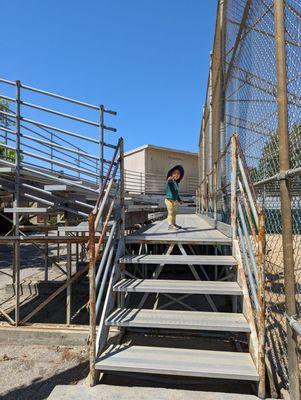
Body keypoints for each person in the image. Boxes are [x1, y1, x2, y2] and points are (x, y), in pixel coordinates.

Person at [165, 165, 184, 231]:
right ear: (171, 174)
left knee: (174, 213)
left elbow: (176, 194)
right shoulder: (170, 181)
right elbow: (169, 182)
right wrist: (169, 179)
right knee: (170, 212)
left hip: (174, 200)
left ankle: (174, 224)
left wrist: (179, 200)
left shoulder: (176, 183)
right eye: (174, 173)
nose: (176, 174)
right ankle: (170, 225)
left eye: (178, 173)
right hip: (169, 200)